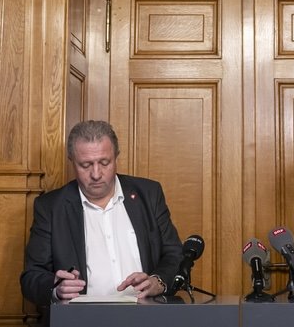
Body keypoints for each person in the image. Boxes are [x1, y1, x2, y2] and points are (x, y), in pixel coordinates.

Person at [20, 120, 183, 307]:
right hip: (81, 320)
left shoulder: (149, 194)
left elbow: (175, 255)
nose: (96, 174)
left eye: (104, 162)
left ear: (116, 157)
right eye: (85, 165)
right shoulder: (50, 207)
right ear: (72, 160)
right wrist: (56, 289)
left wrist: (158, 282)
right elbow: (31, 277)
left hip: (147, 316)